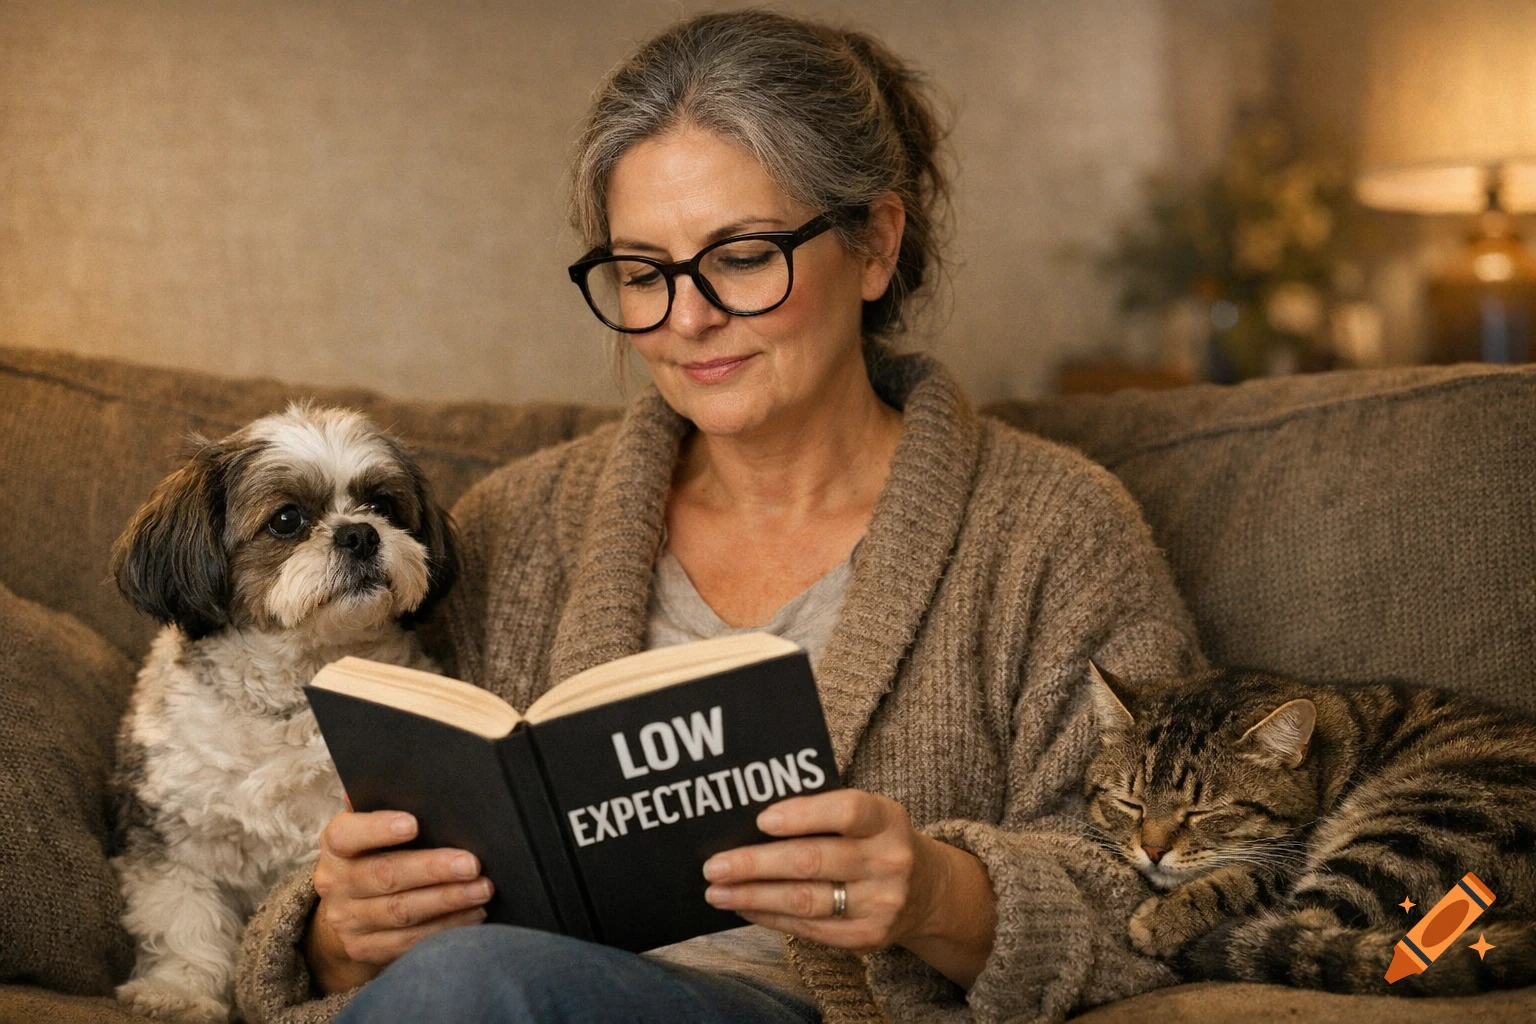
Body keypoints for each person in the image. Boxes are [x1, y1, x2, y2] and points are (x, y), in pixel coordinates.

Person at [235, 9, 1207, 1024]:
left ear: (875, 245)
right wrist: (341, 938)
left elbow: (1158, 902)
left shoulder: (1054, 532)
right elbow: (345, 879)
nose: (688, 318)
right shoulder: (511, 528)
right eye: (642, 273)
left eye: (741, 257)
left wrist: (936, 894)